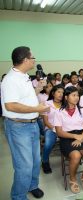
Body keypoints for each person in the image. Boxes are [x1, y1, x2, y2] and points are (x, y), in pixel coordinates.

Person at [1, 46, 50, 199]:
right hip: (18, 126)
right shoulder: (10, 80)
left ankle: (32, 185)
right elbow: (11, 105)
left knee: (35, 160)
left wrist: (38, 89)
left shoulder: (24, 76)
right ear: (25, 60)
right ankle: (18, 196)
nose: (35, 60)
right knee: (24, 165)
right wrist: (36, 107)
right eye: (33, 57)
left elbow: (25, 98)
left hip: (32, 124)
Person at [54, 86, 83, 193]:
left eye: (77, 95)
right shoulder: (59, 111)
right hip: (66, 137)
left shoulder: (82, 110)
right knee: (76, 155)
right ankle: (72, 179)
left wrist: (81, 137)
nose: (77, 98)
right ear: (66, 97)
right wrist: (75, 137)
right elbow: (59, 132)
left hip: (82, 135)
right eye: (74, 95)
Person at [41, 85, 64, 174]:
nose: (61, 94)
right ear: (53, 93)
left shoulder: (65, 104)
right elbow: (46, 121)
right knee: (48, 143)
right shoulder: (47, 104)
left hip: (64, 128)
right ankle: (45, 161)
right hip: (51, 128)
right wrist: (55, 130)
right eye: (59, 92)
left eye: (62, 92)